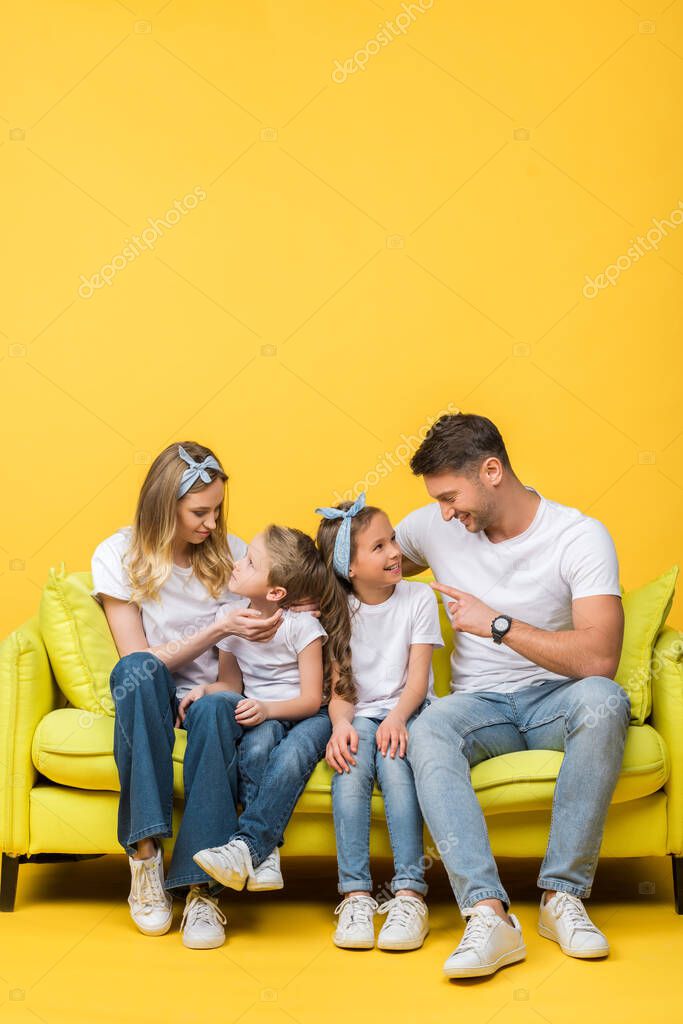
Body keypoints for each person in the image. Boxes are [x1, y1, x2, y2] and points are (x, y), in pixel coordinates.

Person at [393, 413, 630, 979]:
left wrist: (497, 624)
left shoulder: (578, 535)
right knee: (429, 725)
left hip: (557, 700)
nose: (447, 513)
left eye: (452, 496)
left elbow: (600, 658)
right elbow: (363, 565)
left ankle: (561, 899)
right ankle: (487, 912)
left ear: (492, 471)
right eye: (440, 502)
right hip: (480, 710)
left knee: (606, 699)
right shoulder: (434, 525)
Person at [92, 442, 314, 949]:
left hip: (215, 697)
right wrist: (215, 629)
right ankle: (145, 857)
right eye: (199, 512)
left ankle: (201, 888)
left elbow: (276, 617)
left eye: (217, 510)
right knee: (140, 670)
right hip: (150, 694)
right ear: (163, 505)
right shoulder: (116, 555)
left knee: (216, 706)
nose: (211, 523)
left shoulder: (235, 554)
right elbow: (138, 658)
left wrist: (310, 605)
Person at [185, 524, 348, 895]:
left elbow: (311, 700)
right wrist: (205, 689)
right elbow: (232, 686)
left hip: (309, 716)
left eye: (250, 562)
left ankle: (250, 845)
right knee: (257, 748)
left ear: (276, 592)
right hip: (262, 712)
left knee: (290, 755)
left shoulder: (301, 626)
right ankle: (267, 854)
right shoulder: (230, 620)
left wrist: (267, 709)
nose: (238, 564)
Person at [316, 493, 444, 952]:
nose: (395, 553)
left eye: (393, 540)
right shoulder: (337, 613)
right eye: (379, 547)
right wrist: (339, 725)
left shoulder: (418, 598)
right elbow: (340, 690)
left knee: (395, 767)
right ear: (349, 568)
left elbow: (417, 681)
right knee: (348, 770)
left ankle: (409, 892)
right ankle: (355, 895)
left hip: (408, 710)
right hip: (362, 714)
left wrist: (397, 718)